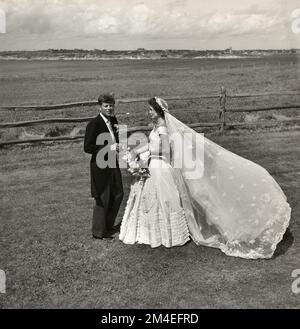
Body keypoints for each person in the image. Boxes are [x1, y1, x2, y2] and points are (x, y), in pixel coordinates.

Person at [119, 97, 291, 259]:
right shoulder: (156, 126)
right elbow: (151, 143)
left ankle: (165, 233)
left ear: (158, 111)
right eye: (148, 110)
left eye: (151, 110)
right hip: (155, 165)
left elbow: (165, 150)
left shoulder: (163, 127)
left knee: (162, 200)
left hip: (161, 167)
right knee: (154, 199)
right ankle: (155, 232)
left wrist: (145, 155)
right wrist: (137, 151)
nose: (149, 112)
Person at [84, 93, 124, 239]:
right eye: (106, 106)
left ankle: (108, 225)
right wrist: (109, 148)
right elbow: (87, 147)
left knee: (119, 193)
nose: (109, 108)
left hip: (113, 163)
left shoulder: (113, 120)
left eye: (111, 105)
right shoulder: (93, 124)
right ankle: (99, 232)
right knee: (103, 197)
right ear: (99, 107)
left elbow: (117, 138)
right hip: (100, 166)